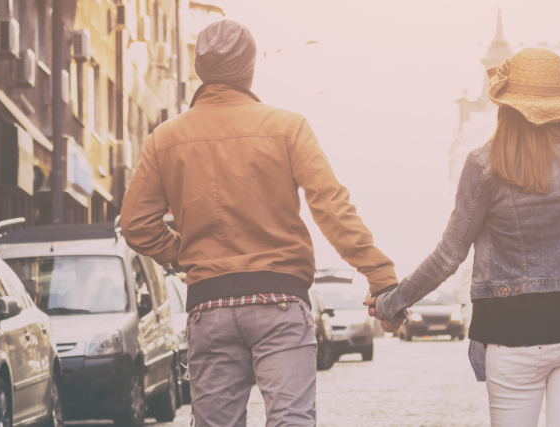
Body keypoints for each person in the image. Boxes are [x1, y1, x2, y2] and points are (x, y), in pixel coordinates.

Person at [118, 20, 397, 427]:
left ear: (199, 68)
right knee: (291, 420)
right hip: (278, 299)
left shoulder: (166, 138)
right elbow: (331, 207)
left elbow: (136, 224)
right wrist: (380, 274)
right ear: (250, 68)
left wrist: (186, 251)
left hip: (208, 304)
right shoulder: (286, 127)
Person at [367, 47, 560, 427]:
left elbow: (450, 254)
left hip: (510, 333)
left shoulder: (483, 164)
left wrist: (392, 303)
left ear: (506, 107)